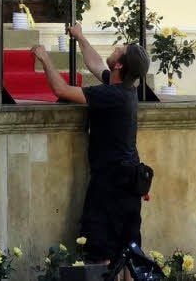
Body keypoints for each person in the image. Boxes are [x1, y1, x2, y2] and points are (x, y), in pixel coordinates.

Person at [30, 22, 151, 266]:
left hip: (111, 184)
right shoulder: (125, 89)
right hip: (127, 181)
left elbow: (61, 90)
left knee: (100, 250)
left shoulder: (112, 95)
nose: (116, 48)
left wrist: (45, 59)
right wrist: (80, 38)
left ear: (119, 65)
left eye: (119, 50)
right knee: (128, 252)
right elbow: (97, 65)